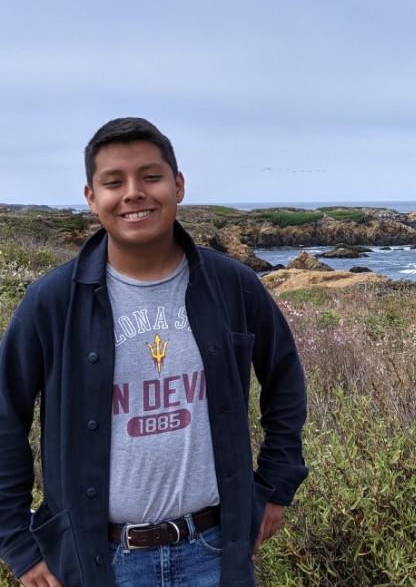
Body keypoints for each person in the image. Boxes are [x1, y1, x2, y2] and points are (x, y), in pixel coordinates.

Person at [0, 118, 308, 586]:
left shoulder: (232, 286)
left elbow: (284, 378)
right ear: (91, 197)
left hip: (214, 551)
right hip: (97, 560)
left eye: (150, 176)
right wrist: (19, 545)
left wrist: (275, 486)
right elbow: (5, 419)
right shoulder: (53, 301)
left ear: (178, 185)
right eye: (113, 182)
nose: (133, 193)